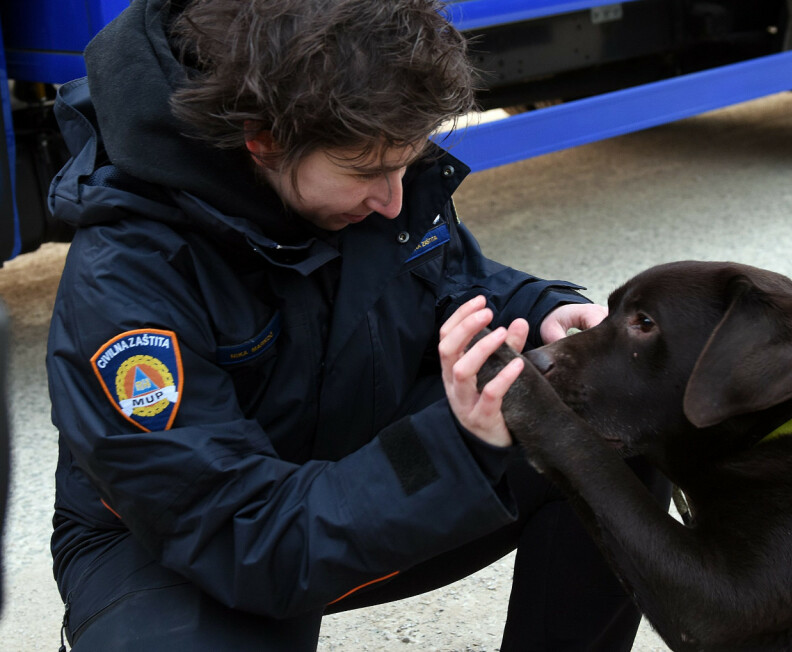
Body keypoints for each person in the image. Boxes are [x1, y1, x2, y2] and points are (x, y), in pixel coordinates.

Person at [46, 0, 670, 649]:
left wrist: (539, 309)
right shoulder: (128, 280)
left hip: (346, 465)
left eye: (409, 162)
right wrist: (451, 449)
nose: (394, 199)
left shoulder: (358, 154)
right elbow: (243, 535)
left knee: (611, 418)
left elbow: (444, 275)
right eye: (370, 172)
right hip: (194, 542)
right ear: (262, 139)